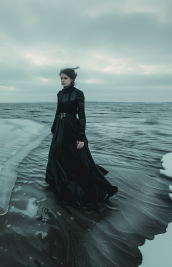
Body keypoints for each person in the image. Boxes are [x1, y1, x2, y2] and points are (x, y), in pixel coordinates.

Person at [45, 66, 118, 209]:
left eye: (65, 78)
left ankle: (85, 188)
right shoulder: (60, 94)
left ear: (72, 79)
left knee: (76, 159)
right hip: (60, 127)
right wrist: (53, 128)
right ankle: (58, 184)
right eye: (61, 78)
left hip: (72, 127)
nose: (62, 80)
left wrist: (81, 136)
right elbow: (57, 112)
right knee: (56, 156)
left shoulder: (78, 94)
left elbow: (82, 116)